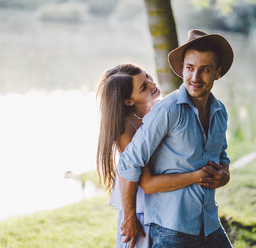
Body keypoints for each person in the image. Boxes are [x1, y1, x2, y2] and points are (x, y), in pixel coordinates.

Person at [117, 29, 234, 247]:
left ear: (217, 73)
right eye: (190, 68)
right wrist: (129, 216)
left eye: (205, 70)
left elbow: (222, 154)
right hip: (173, 229)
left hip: (209, 223)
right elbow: (129, 161)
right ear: (182, 69)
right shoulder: (167, 111)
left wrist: (225, 174)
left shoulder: (220, 111)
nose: (195, 77)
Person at [96, 64, 217, 248]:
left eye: (148, 77)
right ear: (128, 101)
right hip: (143, 210)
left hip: (169, 202)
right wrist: (197, 176)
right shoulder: (125, 129)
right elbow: (147, 183)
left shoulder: (159, 110)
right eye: (144, 87)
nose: (152, 85)